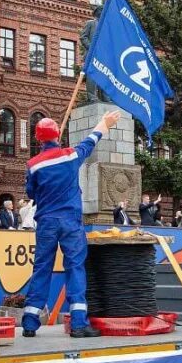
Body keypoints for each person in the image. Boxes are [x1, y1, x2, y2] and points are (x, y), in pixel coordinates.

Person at [21, 110, 120, 338]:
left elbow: (31, 192)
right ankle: (78, 324)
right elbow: (91, 141)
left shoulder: (33, 165)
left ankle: (29, 321)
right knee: (75, 267)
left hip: (46, 221)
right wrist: (103, 122)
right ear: (58, 135)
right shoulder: (70, 156)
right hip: (70, 223)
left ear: (38, 139)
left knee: (41, 268)